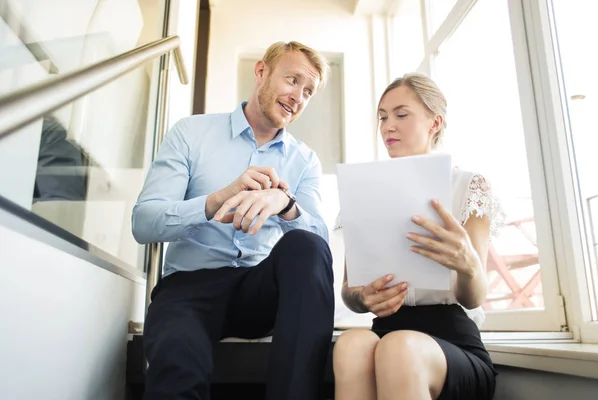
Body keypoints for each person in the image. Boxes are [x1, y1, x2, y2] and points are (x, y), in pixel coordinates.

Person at [132, 41, 335, 400]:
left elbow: (319, 242)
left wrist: (285, 204)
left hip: (257, 291)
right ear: (261, 73)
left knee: (307, 243)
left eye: (308, 91)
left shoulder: (305, 161)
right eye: (291, 80)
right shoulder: (190, 133)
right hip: (189, 289)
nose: (298, 97)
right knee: (177, 359)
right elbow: (144, 222)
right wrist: (217, 199)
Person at [332, 73, 502, 400]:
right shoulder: (364, 192)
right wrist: (363, 298)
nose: (387, 126)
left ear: (435, 122)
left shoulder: (468, 186)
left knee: (399, 348)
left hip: (451, 342)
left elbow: (474, 298)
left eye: (400, 114)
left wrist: (467, 266)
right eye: (382, 117)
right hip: (386, 330)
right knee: (351, 343)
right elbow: (349, 292)